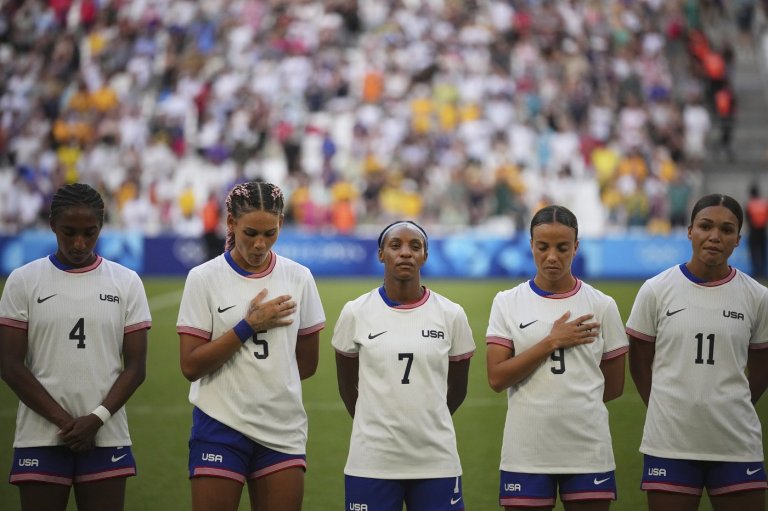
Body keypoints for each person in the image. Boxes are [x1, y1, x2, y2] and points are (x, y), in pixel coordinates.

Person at [0, 183, 151, 511]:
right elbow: (9, 365)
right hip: (40, 435)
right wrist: (65, 423)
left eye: (89, 232)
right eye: (69, 232)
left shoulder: (126, 282)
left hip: (106, 435)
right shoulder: (23, 280)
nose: (79, 243)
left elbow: (136, 368)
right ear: (52, 225)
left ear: (101, 227)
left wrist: (95, 419)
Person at [176, 180, 325, 511]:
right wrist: (248, 326)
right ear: (231, 223)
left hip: (282, 427)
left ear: (281, 223)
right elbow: (190, 366)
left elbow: (307, 364)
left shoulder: (299, 277)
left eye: (270, 233)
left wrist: (268, 384)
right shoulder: (203, 278)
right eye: (250, 233)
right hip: (219, 425)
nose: (260, 244)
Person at [627, 194, 768, 511]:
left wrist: (734, 405)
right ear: (690, 231)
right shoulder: (656, 290)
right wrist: (665, 409)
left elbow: (762, 366)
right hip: (670, 443)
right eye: (705, 226)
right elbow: (639, 363)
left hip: (736, 442)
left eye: (726, 230)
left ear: (738, 239)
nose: (715, 236)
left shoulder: (758, 297)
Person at [486, 205, 628, 511]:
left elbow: (615, 385)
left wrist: (572, 404)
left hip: (588, 448)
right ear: (531, 246)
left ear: (576, 247)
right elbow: (496, 378)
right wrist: (551, 341)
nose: (552, 256)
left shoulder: (602, 305)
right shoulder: (507, 302)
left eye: (562, 248)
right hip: (526, 450)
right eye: (543, 247)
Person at [332, 220, 475, 511]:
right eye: (396, 246)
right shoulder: (355, 312)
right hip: (371, 461)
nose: (406, 253)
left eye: (415, 246)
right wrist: (372, 425)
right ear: (381, 254)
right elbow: (347, 386)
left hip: (436, 460)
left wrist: (427, 422)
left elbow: (458, 389)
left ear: (425, 256)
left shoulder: (451, 314)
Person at [746, 183, 768, 279]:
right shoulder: (764, 203)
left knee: (754, 252)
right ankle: (763, 272)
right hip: (762, 231)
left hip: (753, 232)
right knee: (763, 252)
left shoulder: (750, 204)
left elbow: (748, 219)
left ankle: (756, 272)